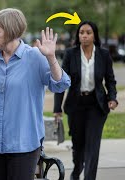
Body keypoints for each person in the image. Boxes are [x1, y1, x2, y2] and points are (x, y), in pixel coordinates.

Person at [0, 8, 71, 180]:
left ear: (10, 31)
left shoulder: (35, 57)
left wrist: (51, 58)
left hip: (23, 144)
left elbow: (60, 85)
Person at [54, 21, 118, 180]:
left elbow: (110, 80)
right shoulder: (70, 54)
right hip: (76, 105)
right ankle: (77, 170)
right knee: (78, 146)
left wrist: (112, 98)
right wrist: (57, 108)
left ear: (94, 35)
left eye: (88, 32)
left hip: (97, 105)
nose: (84, 35)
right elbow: (61, 82)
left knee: (93, 146)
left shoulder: (103, 55)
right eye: (81, 32)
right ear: (78, 35)